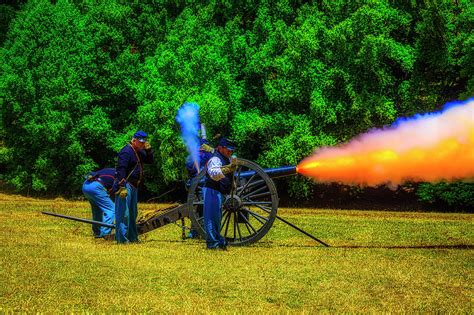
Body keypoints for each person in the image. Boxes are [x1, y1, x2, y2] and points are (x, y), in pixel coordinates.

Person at [114, 130, 154, 243]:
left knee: (133, 213)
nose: (142, 144)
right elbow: (121, 169)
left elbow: (150, 161)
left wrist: (149, 150)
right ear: (134, 140)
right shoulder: (126, 151)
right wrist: (122, 186)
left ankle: (132, 237)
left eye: (144, 142)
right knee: (124, 214)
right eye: (141, 142)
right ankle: (122, 240)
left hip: (134, 186)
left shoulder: (139, 152)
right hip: (126, 185)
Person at [203, 137, 237, 250]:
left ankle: (217, 239)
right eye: (228, 149)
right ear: (221, 148)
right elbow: (213, 173)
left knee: (217, 218)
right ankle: (212, 243)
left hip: (218, 192)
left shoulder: (226, 158)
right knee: (211, 218)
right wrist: (227, 169)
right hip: (212, 190)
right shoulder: (215, 159)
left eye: (231, 150)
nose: (230, 152)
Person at [185, 139, 214, 238]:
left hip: (206, 185)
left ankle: (204, 230)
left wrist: (211, 151)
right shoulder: (192, 157)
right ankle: (194, 231)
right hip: (196, 186)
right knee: (196, 210)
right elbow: (190, 168)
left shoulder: (209, 154)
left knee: (203, 209)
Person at [82, 168, 116, 238]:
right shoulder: (119, 175)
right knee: (111, 209)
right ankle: (104, 234)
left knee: (96, 209)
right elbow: (113, 191)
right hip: (96, 186)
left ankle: (97, 232)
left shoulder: (111, 171)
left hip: (85, 185)